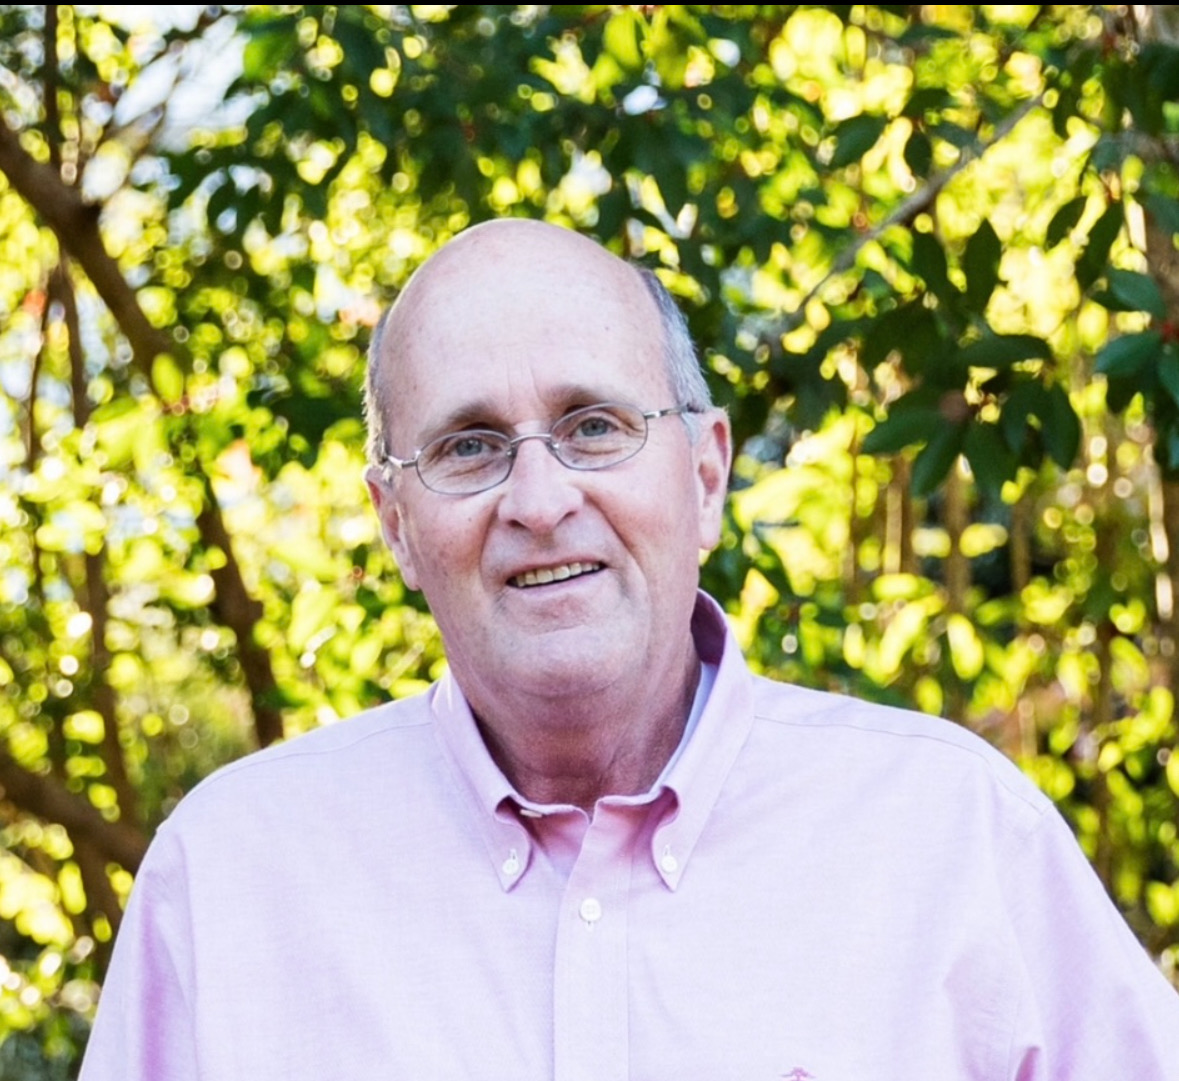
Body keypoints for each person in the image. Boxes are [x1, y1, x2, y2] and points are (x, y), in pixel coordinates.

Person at [81, 220, 1179, 1080]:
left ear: (705, 475)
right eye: (469, 447)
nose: (539, 499)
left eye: (594, 427)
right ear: (395, 524)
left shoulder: (954, 837)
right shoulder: (229, 880)